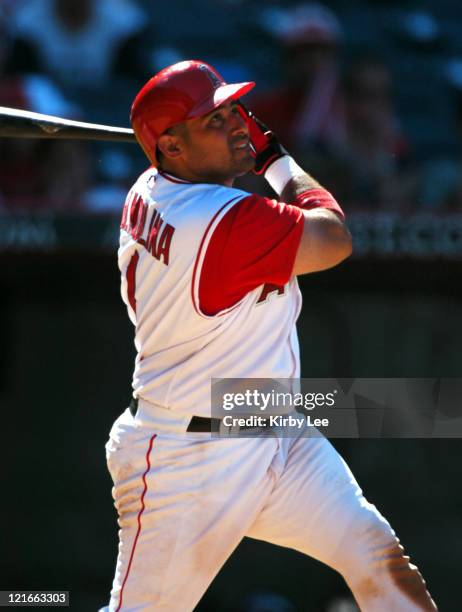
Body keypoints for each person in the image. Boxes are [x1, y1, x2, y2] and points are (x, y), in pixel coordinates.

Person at [100, 60, 437, 611]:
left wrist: (212, 140)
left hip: (266, 425)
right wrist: (278, 162)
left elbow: (191, 174)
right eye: (215, 120)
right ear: (173, 147)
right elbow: (334, 238)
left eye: (233, 110)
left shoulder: (150, 184)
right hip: (190, 457)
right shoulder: (220, 220)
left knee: (374, 554)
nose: (237, 124)